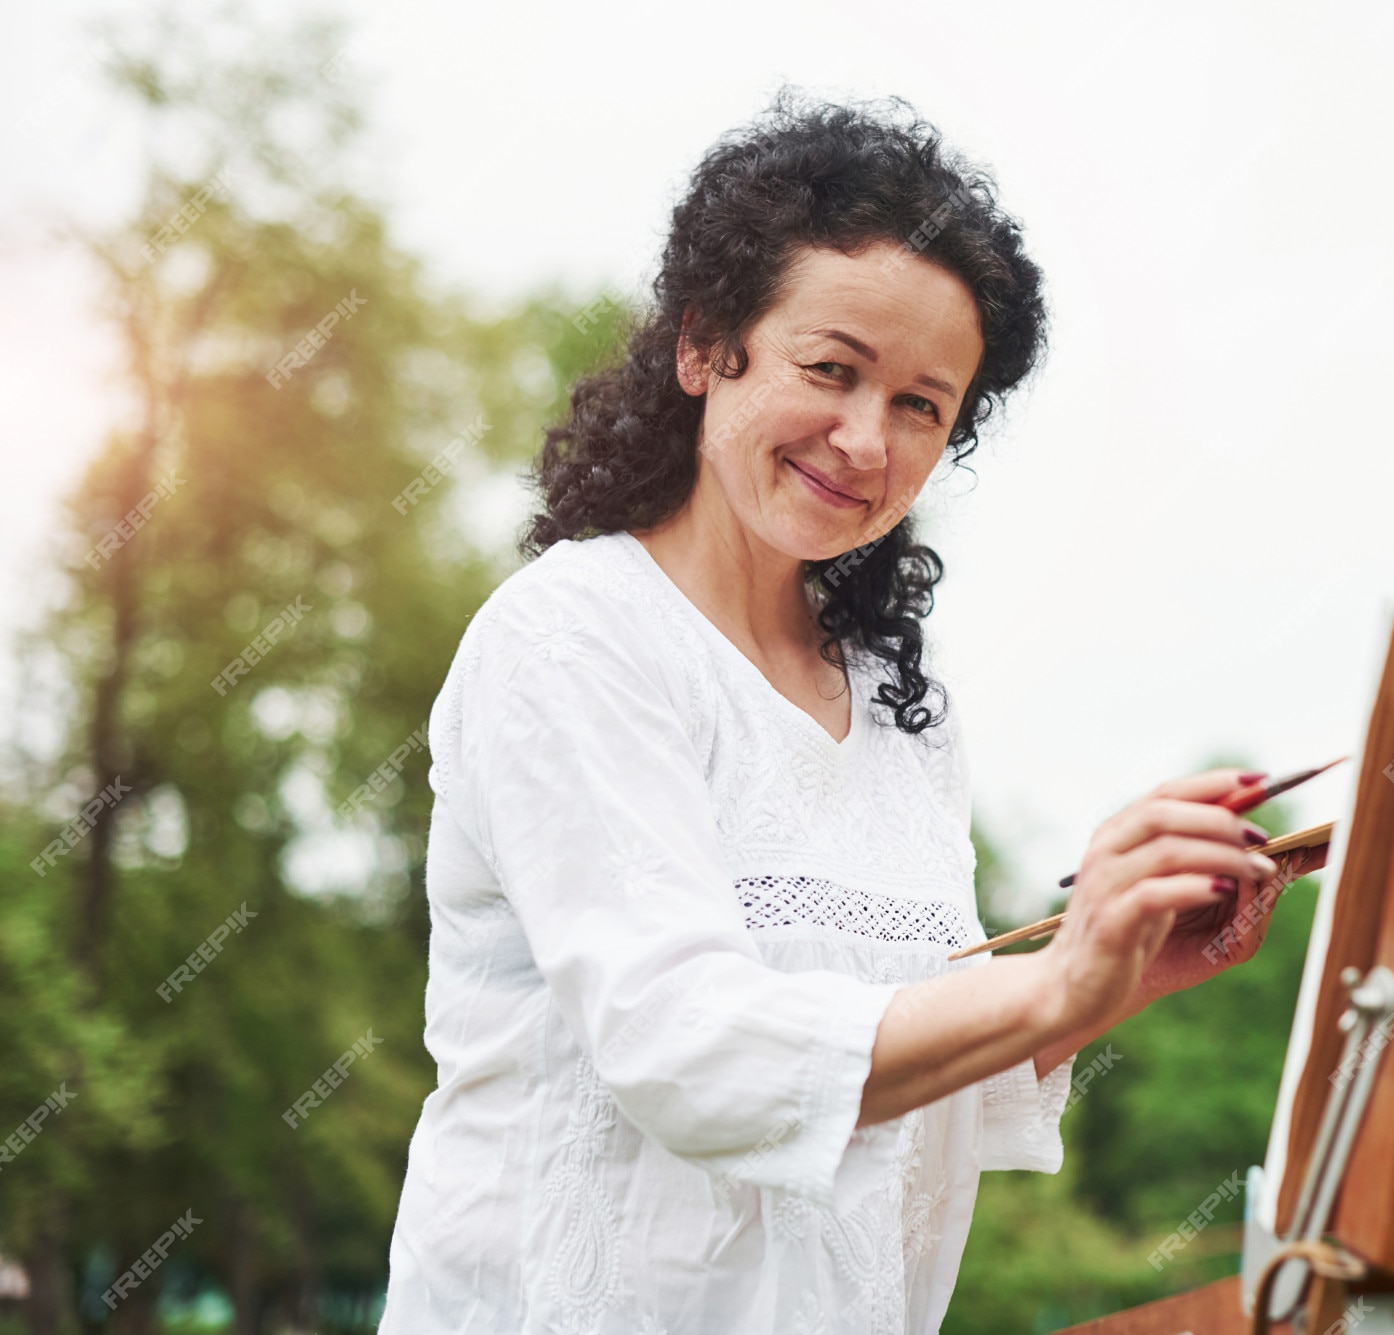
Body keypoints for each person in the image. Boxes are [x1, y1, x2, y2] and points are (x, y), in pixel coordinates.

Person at [380, 94, 1287, 1335]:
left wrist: (1117, 976)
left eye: (922, 404)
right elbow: (690, 1051)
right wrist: (1054, 984)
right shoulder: (572, 638)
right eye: (831, 370)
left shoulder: (902, 710)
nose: (865, 439)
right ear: (706, 347)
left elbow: (899, 1079)